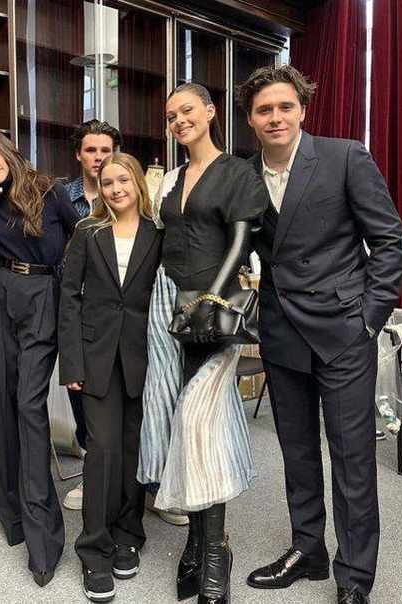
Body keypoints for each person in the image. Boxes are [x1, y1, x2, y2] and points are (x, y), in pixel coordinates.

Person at [236, 65, 402, 604]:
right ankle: (307, 551)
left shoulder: (344, 157)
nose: (275, 117)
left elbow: (390, 241)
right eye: (264, 110)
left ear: (302, 110)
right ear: (250, 119)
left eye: (285, 106)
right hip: (282, 332)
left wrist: (369, 320)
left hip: (343, 332)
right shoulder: (242, 174)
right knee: (298, 454)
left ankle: (354, 578)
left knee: (352, 460)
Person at [138, 82, 270, 604]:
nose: (178, 121)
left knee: (201, 425)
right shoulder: (171, 179)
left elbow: (240, 242)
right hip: (168, 308)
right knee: (178, 424)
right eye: (171, 116)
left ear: (210, 112)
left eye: (187, 111)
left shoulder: (237, 171)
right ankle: (195, 543)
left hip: (212, 313)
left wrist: (210, 300)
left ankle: (215, 553)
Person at [0, 129, 77, 587]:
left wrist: (64, 298)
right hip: (5, 295)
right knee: (1, 403)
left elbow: (80, 243)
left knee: (29, 407)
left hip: (45, 296)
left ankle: (43, 540)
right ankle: (11, 516)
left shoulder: (51, 192)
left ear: (8, 150)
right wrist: (6, 284)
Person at [58, 153, 162, 602]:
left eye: (123, 180)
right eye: (107, 182)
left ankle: (128, 535)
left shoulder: (158, 232)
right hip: (95, 356)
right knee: (101, 450)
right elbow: (69, 297)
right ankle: (94, 550)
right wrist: (72, 364)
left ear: (138, 183)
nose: (116, 188)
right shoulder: (88, 231)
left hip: (144, 357)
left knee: (132, 449)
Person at [61, 119, 122, 512]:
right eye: (91, 150)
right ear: (78, 155)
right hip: (78, 313)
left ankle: (141, 480)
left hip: (121, 313)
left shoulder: (127, 191)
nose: (98, 158)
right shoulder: (62, 198)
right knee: (81, 395)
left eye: (105, 150)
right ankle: (91, 471)